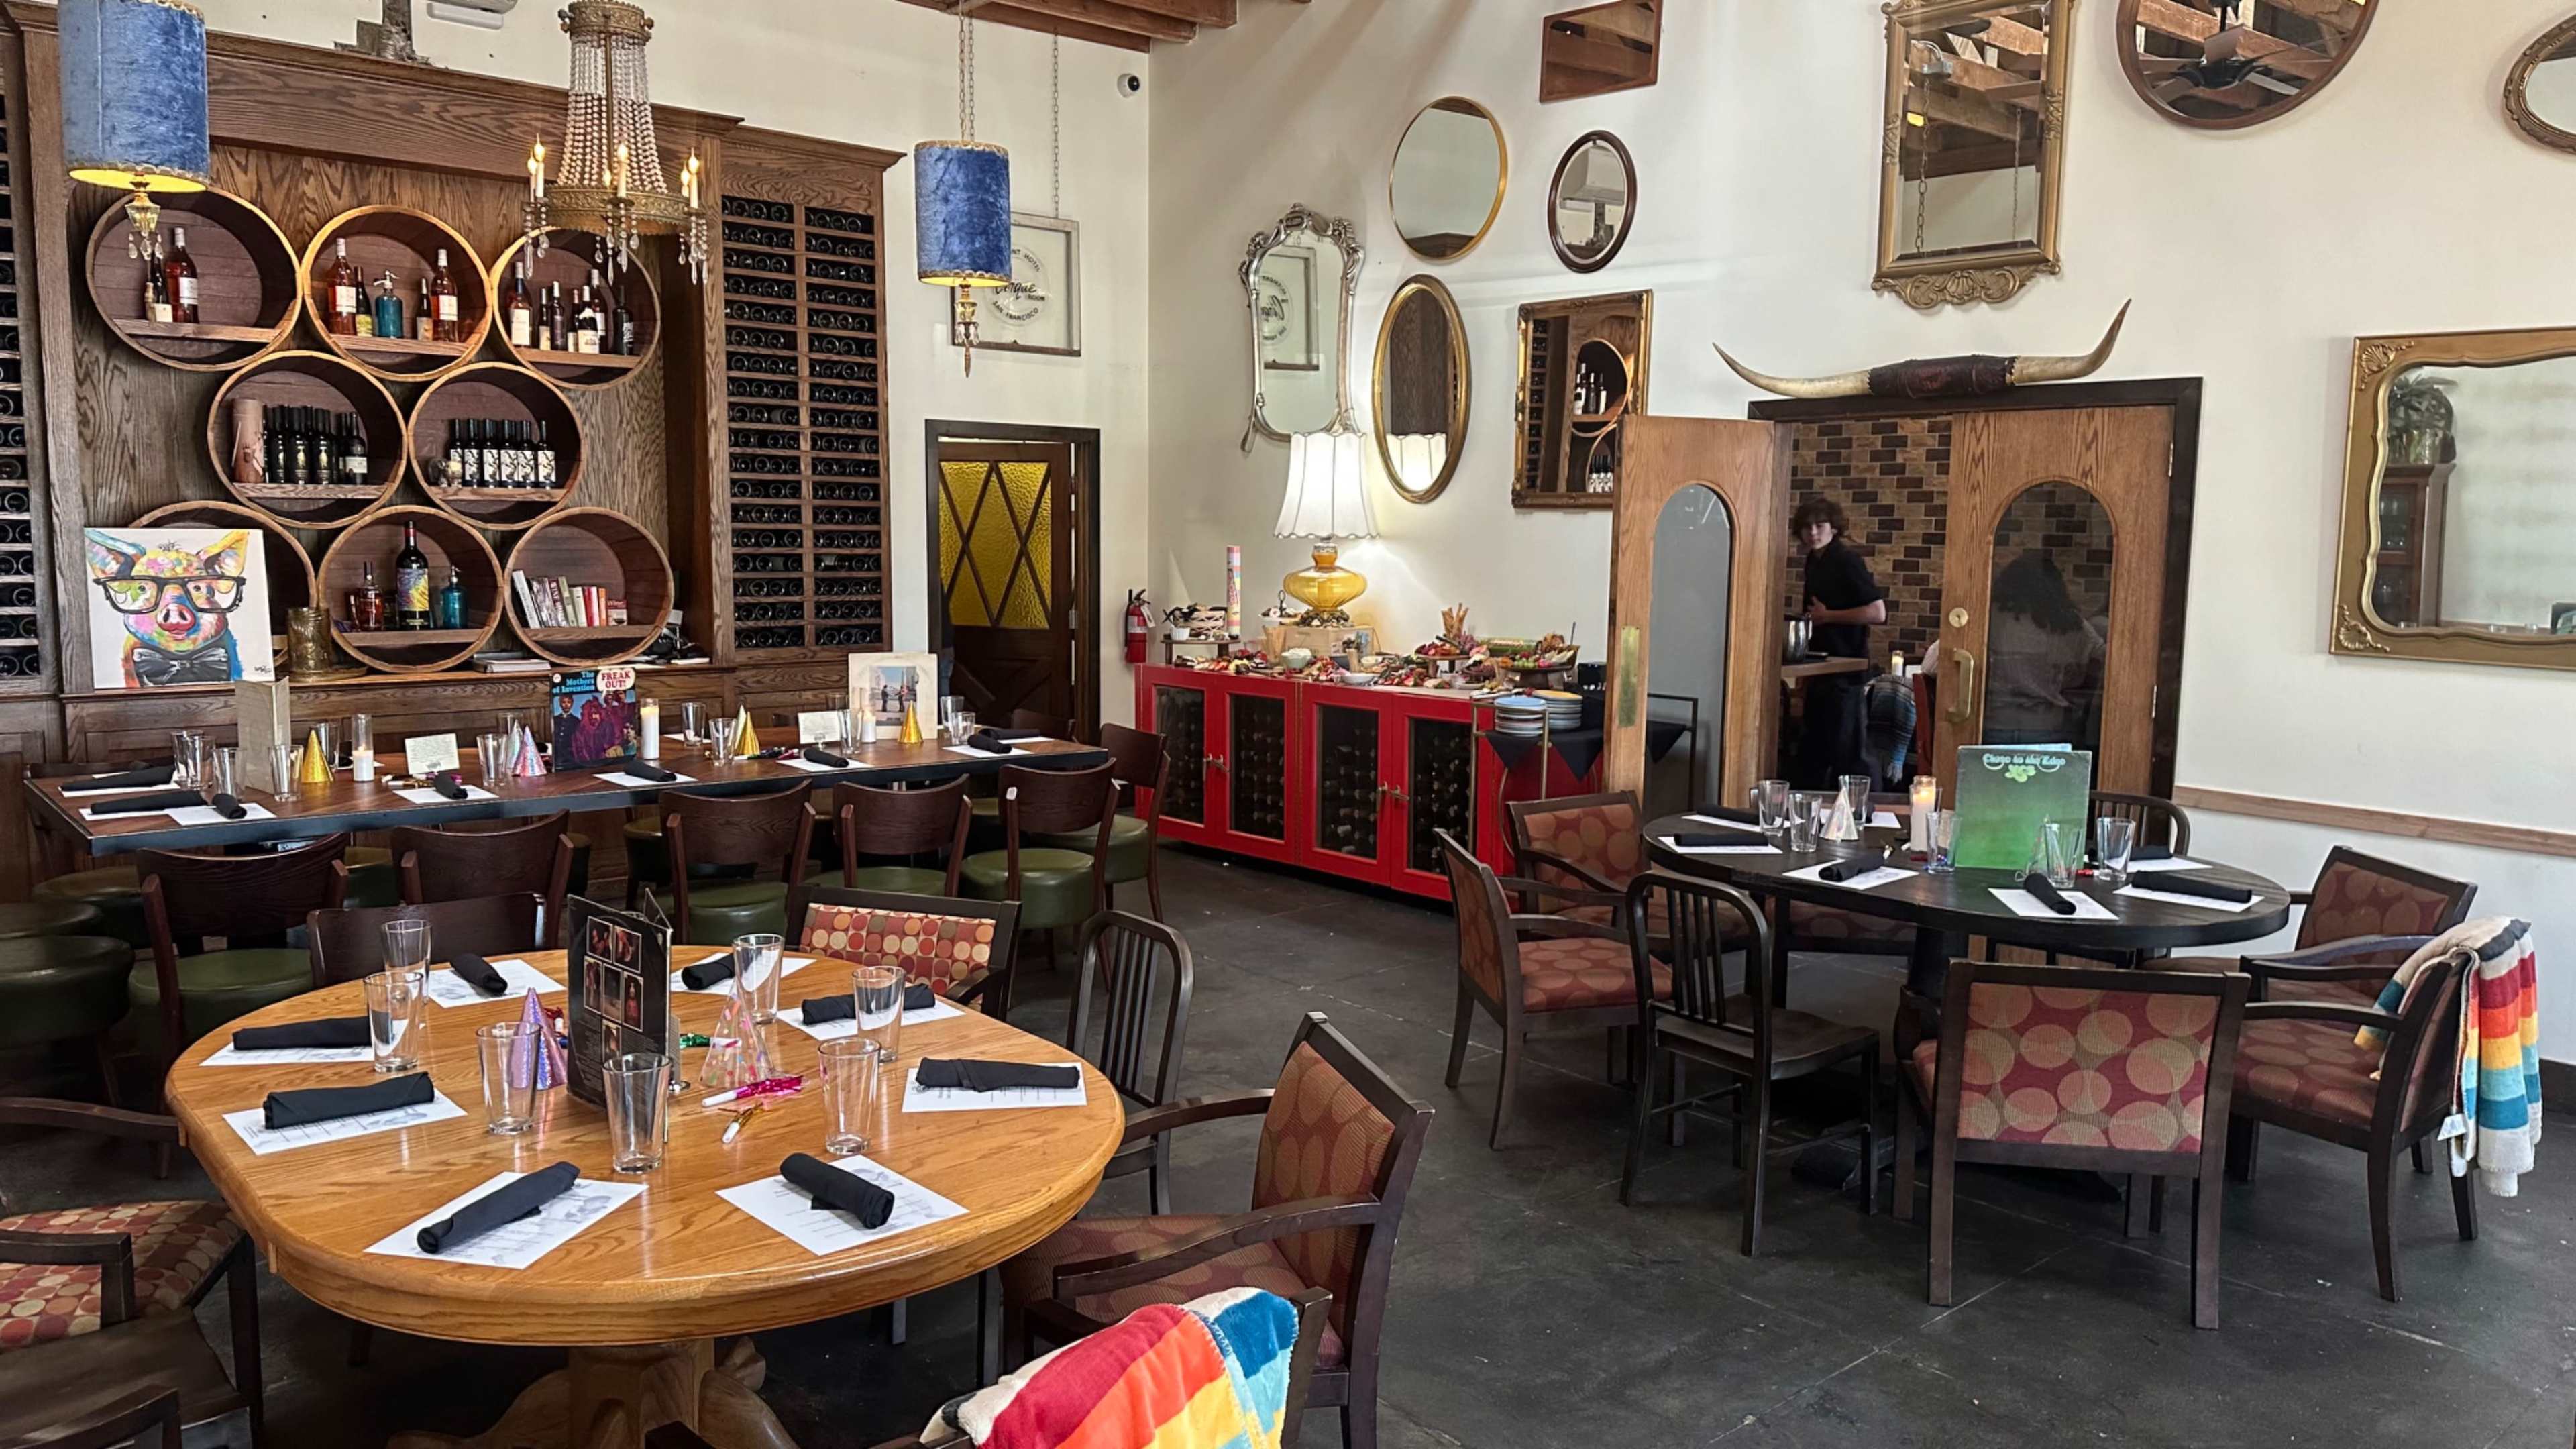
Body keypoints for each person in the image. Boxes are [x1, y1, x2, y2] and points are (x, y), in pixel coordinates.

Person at [1791, 498, 1885, 786]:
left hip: (1847, 672)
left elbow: (1878, 612)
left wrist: (1828, 615)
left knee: (1849, 755)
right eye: (1807, 527)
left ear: (1834, 528)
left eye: (1820, 525)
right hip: (1820, 667)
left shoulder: (1847, 561)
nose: (1813, 533)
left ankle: (1862, 812)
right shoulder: (1813, 561)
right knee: (1814, 752)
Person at [1984, 550, 2107, 748]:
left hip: (1994, 724)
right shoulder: (2069, 622)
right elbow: (2105, 658)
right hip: (2047, 727)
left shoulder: (1987, 618)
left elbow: (1935, 662)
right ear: (2056, 587)